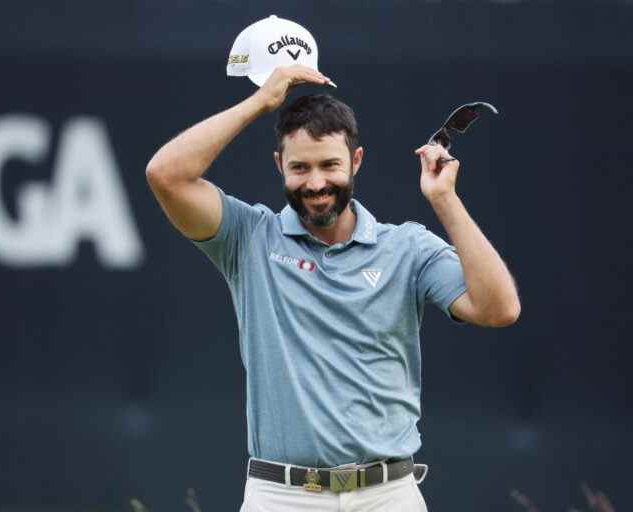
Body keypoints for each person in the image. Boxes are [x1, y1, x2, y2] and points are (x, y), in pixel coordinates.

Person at [145, 64, 520, 511]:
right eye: (300, 167)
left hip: (387, 496)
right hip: (280, 496)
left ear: (356, 161)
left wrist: (444, 199)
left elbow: (499, 309)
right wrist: (261, 102)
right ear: (279, 164)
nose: (316, 183)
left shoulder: (407, 247)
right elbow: (166, 175)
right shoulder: (248, 237)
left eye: (330, 165)